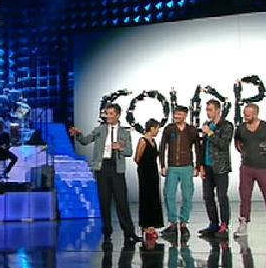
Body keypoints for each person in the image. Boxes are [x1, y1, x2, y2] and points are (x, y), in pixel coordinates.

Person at [69, 103, 142, 247]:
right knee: (104, 201)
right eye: (106, 113)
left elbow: (129, 152)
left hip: (117, 169)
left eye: (111, 114)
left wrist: (121, 147)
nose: (108, 116)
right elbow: (85, 141)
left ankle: (129, 233)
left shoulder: (124, 132)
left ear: (118, 115)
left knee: (121, 201)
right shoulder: (100, 129)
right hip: (102, 168)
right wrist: (78, 134)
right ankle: (107, 233)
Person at [233, 103, 266, 238]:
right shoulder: (241, 128)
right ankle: (243, 225)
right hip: (246, 167)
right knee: (244, 196)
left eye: (248, 115)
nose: (245, 117)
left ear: (255, 114)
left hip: (262, 167)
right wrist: (244, 152)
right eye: (244, 114)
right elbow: (237, 142)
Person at [158, 105, 202, 241]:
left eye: (179, 114)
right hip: (172, 167)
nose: (176, 116)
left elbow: (198, 149)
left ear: (185, 115)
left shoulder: (192, 130)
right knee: (169, 195)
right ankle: (172, 223)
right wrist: (163, 165)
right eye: (175, 114)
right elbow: (162, 147)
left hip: (187, 167)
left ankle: (183, 224)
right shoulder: (169, 129)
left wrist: (197, 166)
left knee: (187, 195)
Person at [198, 100, 234, 239]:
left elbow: (224, 144)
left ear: (218, 110)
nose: (208, 112)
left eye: (210, 110)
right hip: (207, 166)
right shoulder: (207, 125)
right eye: (207, 110)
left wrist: (211, 133)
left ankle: (224, 224)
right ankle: (213, 223)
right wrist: (201, 165)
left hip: (220, 167)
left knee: (222, 196)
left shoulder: (226, 125)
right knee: (207, 196)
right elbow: (202, 147)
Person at [134, 118, 164, 240]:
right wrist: (144, 168)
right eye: (157, 129)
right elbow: (137, 158)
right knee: (146, 198)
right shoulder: (143, 140)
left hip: (153, 173)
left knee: (154, 198)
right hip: (145, 173)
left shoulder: (153, 141)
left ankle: (152, 225)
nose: (158, 131)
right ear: (151, 128)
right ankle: (146, 226)